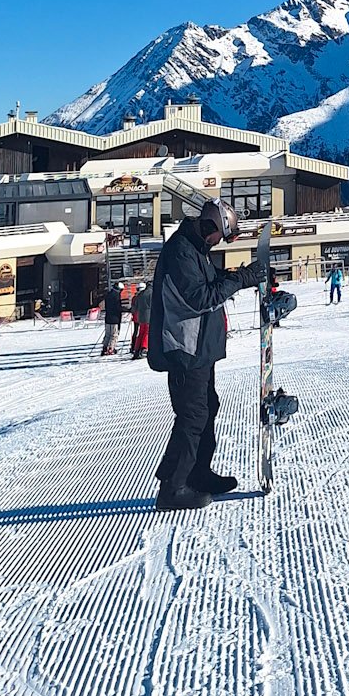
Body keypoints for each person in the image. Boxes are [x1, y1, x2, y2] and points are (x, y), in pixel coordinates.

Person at [147, 198, 259, 511]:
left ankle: (197, 473)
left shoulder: (195, 249)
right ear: (211, 229)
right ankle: (173, 489)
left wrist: (238, 275)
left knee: (207, 408)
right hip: (185, 348)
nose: (218, 243)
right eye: (220, 237)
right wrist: (240, 279)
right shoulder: (182, 251)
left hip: (199, 349)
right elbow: (199, 298)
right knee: (193, 416)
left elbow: (208, 282)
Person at [101, 280, 124, 356]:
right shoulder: (116, 296)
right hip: (115, 318)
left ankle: (104, 347)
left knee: (108, 334)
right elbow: (118, 307)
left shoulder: (108, 294)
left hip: (108, 317)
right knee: (114, 335)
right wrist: (126, 309)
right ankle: (111, 348)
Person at [130, 279, 152, 360]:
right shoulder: (150, 293)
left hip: (140, 316)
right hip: (148, 316)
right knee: (147, 332)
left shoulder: (138, 296)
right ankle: (144, 348)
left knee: (141, 333)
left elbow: (135, 308)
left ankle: (136, 349)